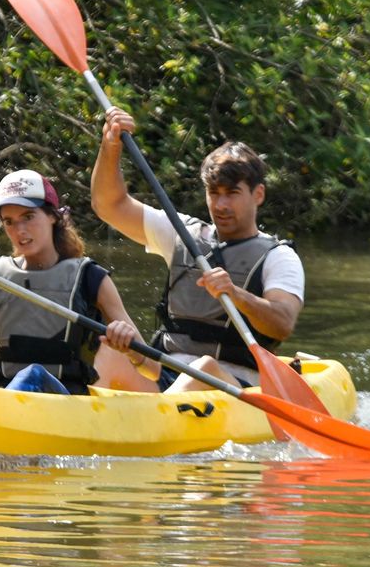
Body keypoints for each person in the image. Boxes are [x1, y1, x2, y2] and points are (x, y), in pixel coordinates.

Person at [90, 107, 305, 393]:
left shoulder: (278, 257)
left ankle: (156, 422)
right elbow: (109, 205)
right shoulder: (182, 234)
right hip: (168, 377)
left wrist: (236, 294)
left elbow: (282, 323)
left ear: (258, 194)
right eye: (214, 193)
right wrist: (111, 144)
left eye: (232, 193)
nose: (221, 205)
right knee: (110, 352)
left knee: (202, 368)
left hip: (235, 385)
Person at [0, 169, 149, 395]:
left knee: (33, 375)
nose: (19, 230)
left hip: (64, 402)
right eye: (9, 221)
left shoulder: (91, 278)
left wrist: (128, 346)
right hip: (4, 397)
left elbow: (152, 369)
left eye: (28, 216)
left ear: (53, 216)